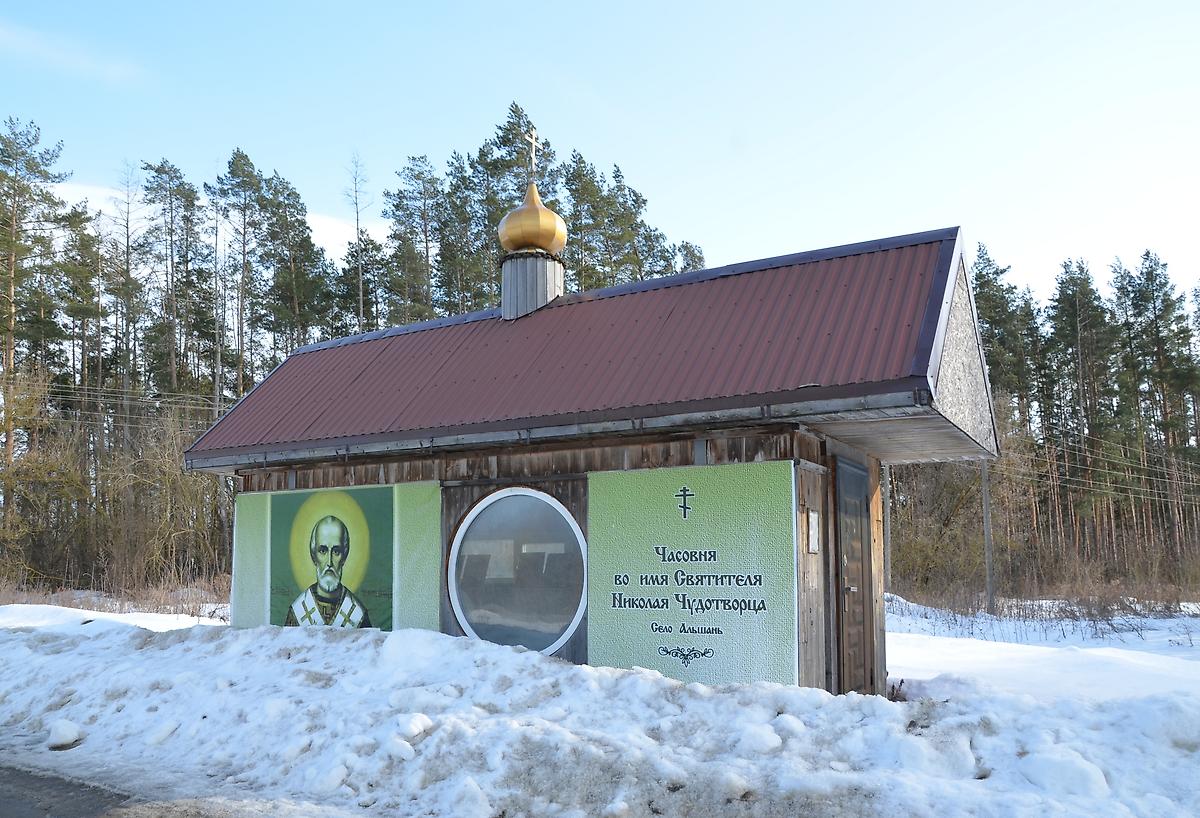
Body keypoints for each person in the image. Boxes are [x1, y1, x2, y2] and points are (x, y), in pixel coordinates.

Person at [284, 515, 372, 628]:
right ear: (313, 555)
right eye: (323, 551)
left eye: (336, 552)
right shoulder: (298, 612)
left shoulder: (358, 615)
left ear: (344, 557)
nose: (329, 562)